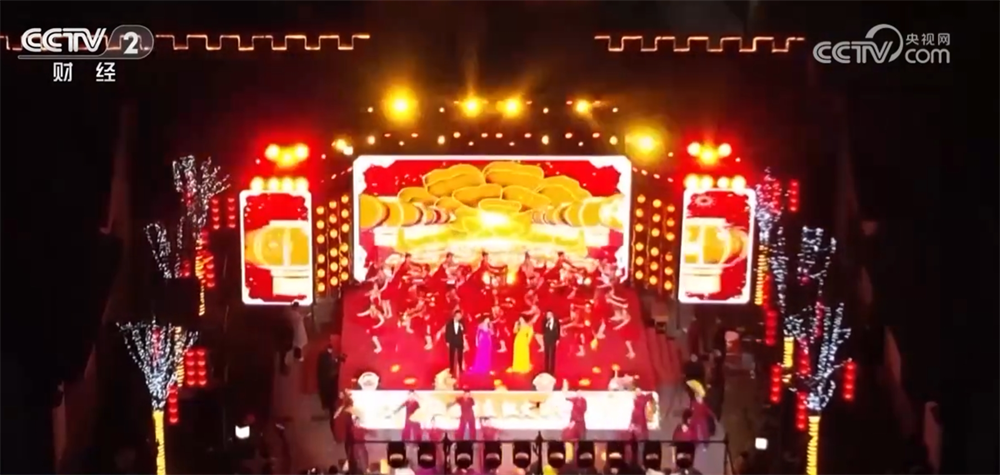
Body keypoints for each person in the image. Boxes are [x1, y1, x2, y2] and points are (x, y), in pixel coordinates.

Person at [437, 311, 467, 375]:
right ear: (455, 316)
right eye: (458, 316)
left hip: (459, 341)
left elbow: (463, 333)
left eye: (460, 316)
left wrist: (464, 341)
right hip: (452, 341)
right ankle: (452, 369)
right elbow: (446, 332)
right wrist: (447, 341)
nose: (459, 317)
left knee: (460, 355)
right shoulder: (449, 324)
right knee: (452, 355)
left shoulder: (461, 324)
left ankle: (461, 368)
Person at [316, 343, 341, 412]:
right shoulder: (325, 356)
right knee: (331, 398)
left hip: (326, 380)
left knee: (329, 398)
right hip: (329, 380)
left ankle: (329, 407)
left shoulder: (323, 356)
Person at [542, 311, 561, 375]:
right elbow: (543, 330)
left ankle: (552, 370)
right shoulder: (545, 321)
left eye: (548, 314)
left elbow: (558, 330)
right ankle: (546, 369)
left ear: (552, 315)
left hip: (553, 339)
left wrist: (557, 339)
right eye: (547, 315)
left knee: (552, 354)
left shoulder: (556, 322)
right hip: (546, 339)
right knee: (546, 354)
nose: (547, 316)